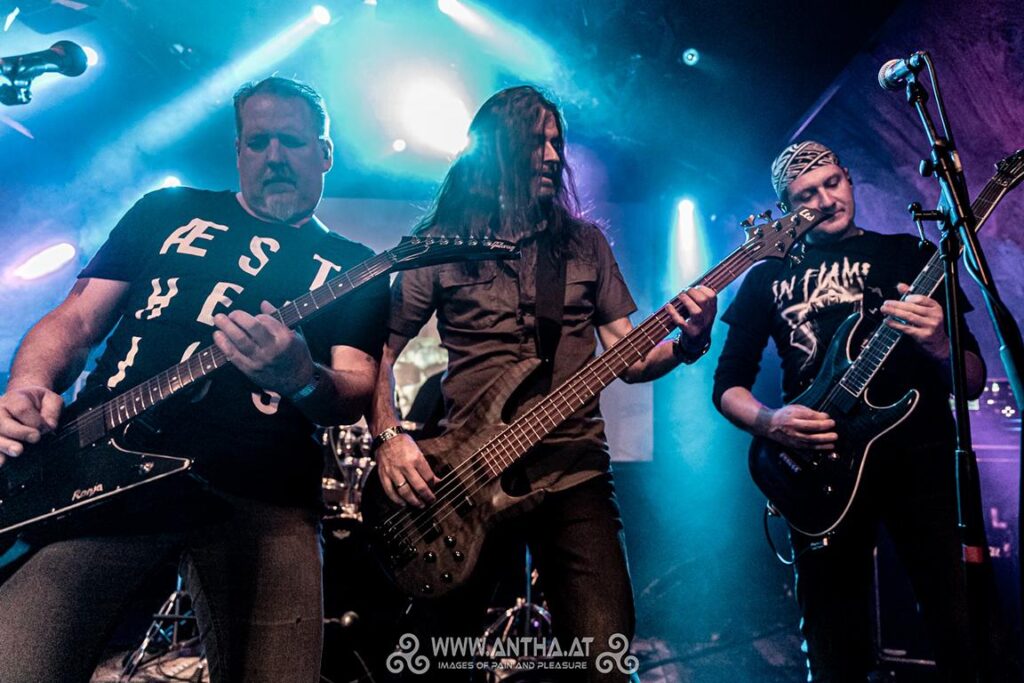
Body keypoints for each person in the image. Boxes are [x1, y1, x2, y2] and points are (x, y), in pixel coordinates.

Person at [0, 76, 388, 683]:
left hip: (264, 491)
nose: (274, 156)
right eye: (257, 142)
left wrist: (301, 377)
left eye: (291, 141)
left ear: (325, 153)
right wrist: (27, 386)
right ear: (238, 151)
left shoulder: (355, 266)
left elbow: (355, 387)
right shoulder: (166, 210)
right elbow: (75, 319)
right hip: (105, 464)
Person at [371, 85, 717, 681]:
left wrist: (690, 342)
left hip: (574, 473)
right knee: (437, 665)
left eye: (557, 143)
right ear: (497, 151)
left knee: (604, 661)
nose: (554, 157)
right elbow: (380, 351)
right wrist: (388, 436)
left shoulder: (585, 245)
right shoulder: (441, 246)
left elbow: (631, 360)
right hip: (466, 479)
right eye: (536, 143)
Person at [712, 140, 991, 682]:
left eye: (832, 183)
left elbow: (973, 379)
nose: (826, 200)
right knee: (834, 645)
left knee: (959, 628)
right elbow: (727, 385)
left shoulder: (910, 254)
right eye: (806, 196)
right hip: (820, 472)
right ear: (788, 210)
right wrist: (772, 422)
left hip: (922, 464)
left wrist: (939, 344)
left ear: (849, 177)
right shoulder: (767, 276)